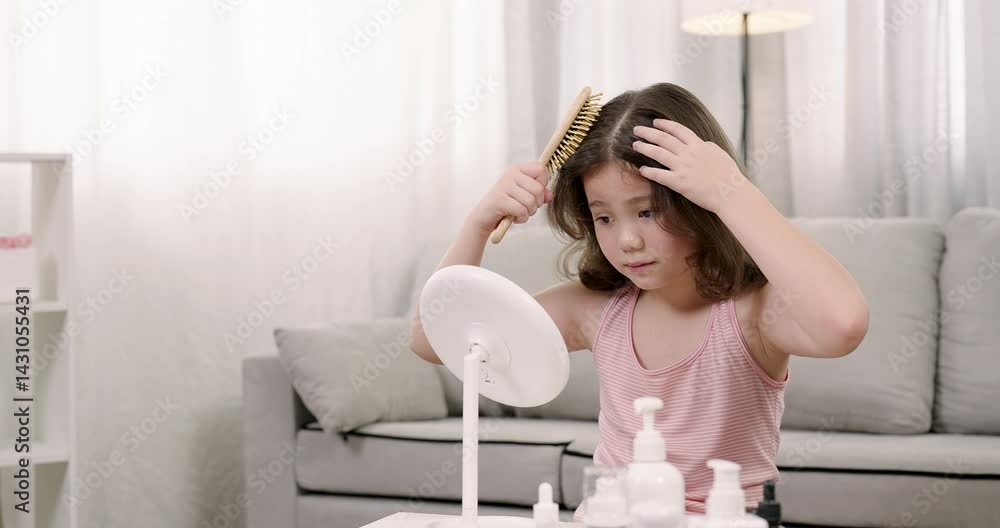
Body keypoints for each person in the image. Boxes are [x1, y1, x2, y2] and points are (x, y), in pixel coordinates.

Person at [409, 82, 869, 515]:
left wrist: (731, 193)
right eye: (604, 218)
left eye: (647, 211)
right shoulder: (596, 310)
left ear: (697, 203)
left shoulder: (753, 314)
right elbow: (432, 341)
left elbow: (843, 324)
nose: (627, 240)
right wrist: (479, 223)